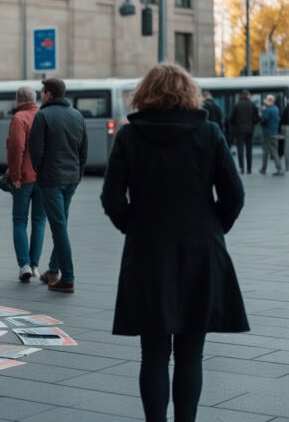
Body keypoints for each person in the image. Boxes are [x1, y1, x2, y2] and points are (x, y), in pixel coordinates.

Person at [101, 62, 248, 422]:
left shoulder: (129, 136)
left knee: (152, 352)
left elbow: (112, 198)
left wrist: (133, 227)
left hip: (148, 250)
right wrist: (214, 228)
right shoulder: (209, 132)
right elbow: (234, 195)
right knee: (191, 352)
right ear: (187, 92)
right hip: (201, 249)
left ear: (145, 93)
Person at [28, 78, 87, 293]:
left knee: (59, 228)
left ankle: (68, 277)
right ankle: (53, 270)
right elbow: (83, 151)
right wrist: (77, 175)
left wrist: (40, 171)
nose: (41, 95)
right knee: (61, 224)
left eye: (42, 92)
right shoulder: (77, 115)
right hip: (71, 179)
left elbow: (36, 151)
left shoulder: (43, 116)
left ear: (49, 94)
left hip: (51, 180)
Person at [6, 86, 46, 282]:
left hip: (24, 177)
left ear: (17, 99)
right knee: (39, 221)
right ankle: (36, 265)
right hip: (45, 178)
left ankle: (24, 265)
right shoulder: (44, 115)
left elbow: (16, 148)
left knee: (20, 221)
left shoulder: (19, 118)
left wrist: (15, 175)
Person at [228, 89, 259, 174]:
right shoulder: (253, 105)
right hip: (250, 130)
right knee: (249, 149)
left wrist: (236, 124)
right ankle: (249, 168)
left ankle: (242, 168)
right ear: (248, 95)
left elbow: (231, 119)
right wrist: (252, 123)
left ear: (241, 95)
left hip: (239, 130)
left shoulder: (236, 105)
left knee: (240, 149)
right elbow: (257, 118)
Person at [259, 94, 284, 175]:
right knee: (271, 151)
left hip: (267, 133)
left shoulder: (268, 109)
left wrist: (262, 111)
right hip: (274, 132)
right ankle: (263, 168)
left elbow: (264, 120)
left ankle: (279, 168)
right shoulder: (276, 108)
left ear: (269, 100)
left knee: (270, 151)